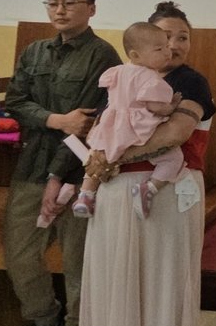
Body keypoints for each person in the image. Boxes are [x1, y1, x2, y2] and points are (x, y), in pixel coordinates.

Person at [78, 1, 216, 326]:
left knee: (165, 279)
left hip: (167, 190)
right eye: (164, 36)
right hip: (114, 192)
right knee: (117, 279)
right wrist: (94, 168)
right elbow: (99, 131)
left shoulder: (190, 83)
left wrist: (112, 156)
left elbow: (174, 134)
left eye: (182, 37)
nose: (173, 45)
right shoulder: (123, 79)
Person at [0, 0, 121, 326]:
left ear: (91, 9)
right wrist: (54, 119)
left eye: (70, 2)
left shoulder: (103, 55)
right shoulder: (35, 51)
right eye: (52, 3)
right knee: (18, 251)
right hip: (31, 164)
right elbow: (16, 102)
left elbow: (88, 122)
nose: (60, 10)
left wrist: (58, 170)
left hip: (79, 171)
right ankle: (45, 323)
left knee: (77, 258)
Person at [71, 22, 183, 220]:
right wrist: (171, 107)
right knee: (173, 158)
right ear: (135, 55)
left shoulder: (117, 71)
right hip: (134, 128)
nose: (168, 52)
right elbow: (154, 106)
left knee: (97, 158)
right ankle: (149, 188)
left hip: (110, 126)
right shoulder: (150, 77)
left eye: (166, 46)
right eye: (159, 49)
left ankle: (85, 196)